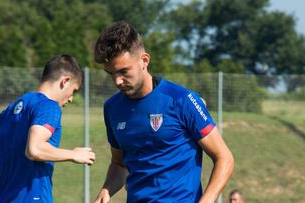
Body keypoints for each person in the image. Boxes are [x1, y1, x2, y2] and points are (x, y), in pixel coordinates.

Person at [93, 21, 234, 203]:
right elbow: (119, 164)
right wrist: (106, 190)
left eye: (123, 71)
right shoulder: (112, 108)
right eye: (111, 74)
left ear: (144, 60)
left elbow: (224, 158)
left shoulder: (182, 100)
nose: (118, 81)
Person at [0, 54, 96, 203]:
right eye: (73, 91)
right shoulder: (49, 106)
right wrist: (73, 154)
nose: (71, 99)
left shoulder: (8, 111)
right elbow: (34, 149)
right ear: (65, 81)